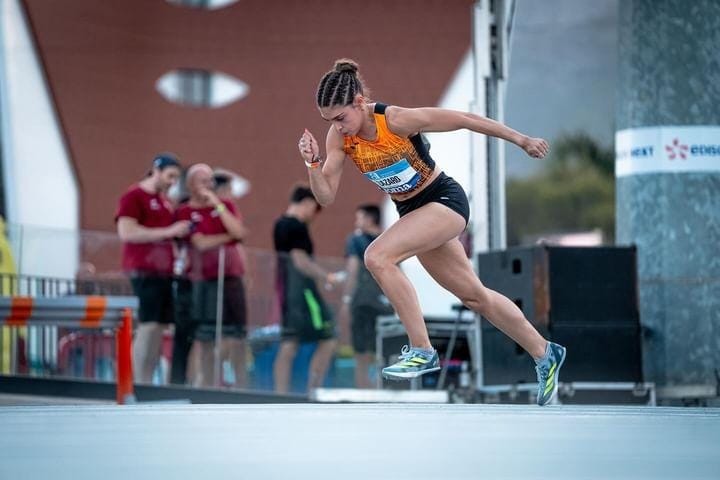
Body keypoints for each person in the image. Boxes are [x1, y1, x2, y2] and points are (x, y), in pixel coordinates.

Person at [298, 59, 567, 406]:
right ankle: (545, 353)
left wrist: (521, 139)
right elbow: (326, 196)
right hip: (413, 212)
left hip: (443, 200)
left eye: (340, 118)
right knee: (475, 296)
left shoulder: (395, 119)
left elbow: (465, 120)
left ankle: (422, 349)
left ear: (359, 102)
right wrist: (312, 164)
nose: (337, 127)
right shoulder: (340, 138)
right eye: (329, 121)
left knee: (377, 256)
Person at [115, 153, 191, 383]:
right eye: (169, 176)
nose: (172, 182)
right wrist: (168, 232)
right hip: (143, 271)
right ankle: (137, 382)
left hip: (165, 273)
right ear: (156, 170)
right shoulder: (134, 196)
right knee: (148, 327)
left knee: (158, 329)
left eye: (176, 178)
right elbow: (126, 232)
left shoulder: (166, 201)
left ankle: (147, 381)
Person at [176, 163, 248, 388]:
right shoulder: (184, 211)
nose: (208, 186)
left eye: (210, 181)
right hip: (203, 281)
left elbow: (239, 233)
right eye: (203, 181)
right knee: (206, 339)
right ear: (190, 185)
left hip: (231, 279)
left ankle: (241, 388)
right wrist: (227, 239)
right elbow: (200, 243)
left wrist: (218, 204)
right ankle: (205, 385)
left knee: (237, 336)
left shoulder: (225, 205)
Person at [272, 184, 339, 394]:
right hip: (303, 292)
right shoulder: (297, 226)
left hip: (286, 290)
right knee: (328, 338)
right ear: (307, 202)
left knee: (290, 342)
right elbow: (300, 260)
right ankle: (313, 390)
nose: (314, 215)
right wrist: (326, 275)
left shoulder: (279, 224)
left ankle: (280, 393)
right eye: (315, 208)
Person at [340, 204, 393, 388]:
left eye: (359, 218)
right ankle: (382, 387)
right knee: (383, 349)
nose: (356, 222)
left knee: (361, 351)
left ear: (369, 219)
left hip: (362, 301)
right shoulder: (389, 240)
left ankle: (362, 389)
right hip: (385, 302)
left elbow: (353, 270)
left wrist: (346, 300)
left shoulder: (356, 240)